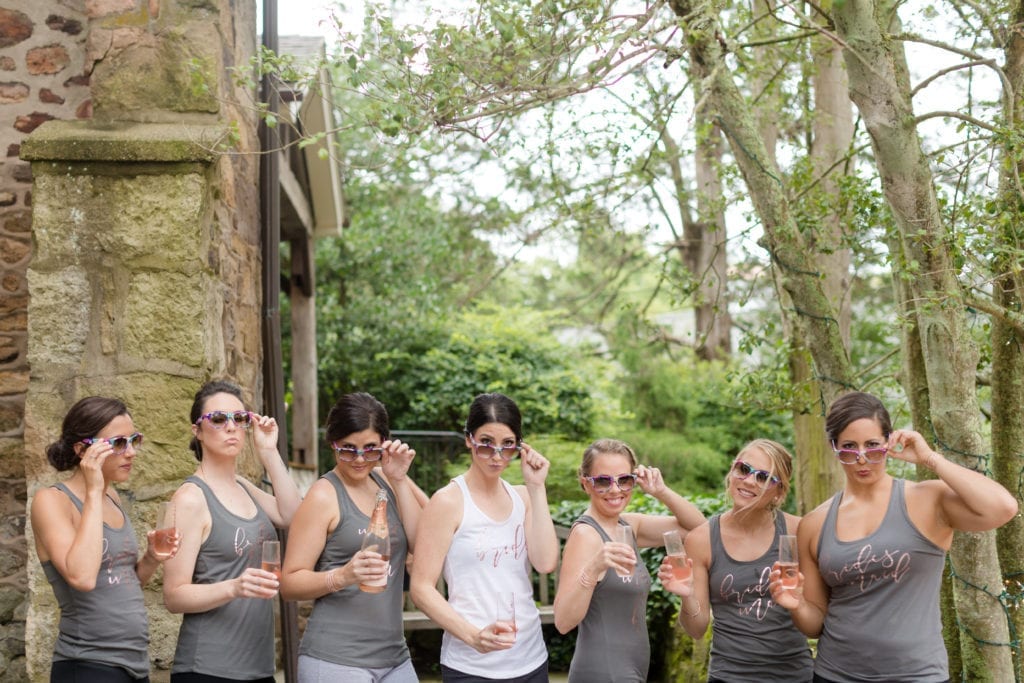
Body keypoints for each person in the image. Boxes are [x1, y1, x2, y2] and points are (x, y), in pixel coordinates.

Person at [770, 391, 1019, 683]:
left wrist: (930, 459)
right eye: (849, 447)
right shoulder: (814, 524)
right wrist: (797, 604)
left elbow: (1003, 508)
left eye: (873, 446)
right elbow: (815, 625)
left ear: (889, 442)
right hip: (836, 674)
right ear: (833, 447)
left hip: (919, 675)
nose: (862, 458)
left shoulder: (928, 499)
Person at [410, 393, 559, 683]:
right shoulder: (448, 502)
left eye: (508, 446)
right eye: (486, 443)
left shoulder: (525, 496)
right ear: (469, 439)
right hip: (470, 666)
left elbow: (546, 562)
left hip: (530, 658)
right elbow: (421, 588)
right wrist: (472, 636)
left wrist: (537, 487)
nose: (497, 456)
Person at [32, 396, 181, 682]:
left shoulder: (111, 497)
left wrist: (150, 559)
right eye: (118, 444)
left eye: (133, 440)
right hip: (87, 664)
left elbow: (121, 582)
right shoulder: (51, 501)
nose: (131, 453)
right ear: (82, 450)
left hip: (133, 664)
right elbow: (83, 577)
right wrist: (92, 491)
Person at [280, 392, 427, 683]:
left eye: (370, 449)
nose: (359, 459)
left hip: (394, 658)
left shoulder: (386, 480)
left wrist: (399, 478)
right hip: (335, 659)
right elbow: (289, 583)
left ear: (384, 444)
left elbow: (424, 545)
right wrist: (343, 576)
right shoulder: (323, 496)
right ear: (332, 444)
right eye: (348, 449)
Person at [162, 380, 302, 683]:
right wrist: (234, 587)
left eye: (239, 419)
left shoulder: (243, 486)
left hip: (258, 667)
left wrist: (269, 452)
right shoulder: (189, 499)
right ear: (197, 431)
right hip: (207, 669)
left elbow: (292, 514)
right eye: (217, 419)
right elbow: (173, 597)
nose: (231, 427)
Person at [658, 439, 812, 682]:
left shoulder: (799, 531)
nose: (749, 481)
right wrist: (686, 593)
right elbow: (696, 629)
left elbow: (817, 617)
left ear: (779, 491)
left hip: (794, 675)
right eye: (743, 469)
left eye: (763, 477)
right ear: (732, 471)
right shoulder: (702, 540)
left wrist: (800, 601)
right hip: (729, 676)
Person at [553, 438, 705, 683]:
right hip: (604, 671)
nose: (615, 490)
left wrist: (661, 491)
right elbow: (562, 621)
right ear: (585, 484)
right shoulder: (586, 535)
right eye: (603, 481)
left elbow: (699, 530)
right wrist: (593, 569)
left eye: (624, 480)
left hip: (631, 668)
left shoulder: (628, 525)